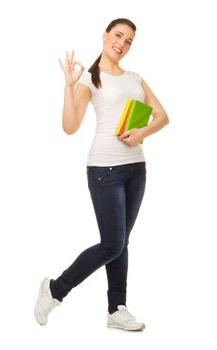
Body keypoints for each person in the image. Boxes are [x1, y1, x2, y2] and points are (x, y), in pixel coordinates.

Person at [34, 18, 169, 331]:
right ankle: (55, 290)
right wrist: (69, 86)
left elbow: (162, 116)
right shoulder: (90, 80)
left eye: (129, 40)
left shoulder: (135, 78)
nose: (122, 43)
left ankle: (116, 308)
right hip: (103, 170)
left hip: (136, 169)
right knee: (112, 243)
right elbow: (70, 127)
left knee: (122, 242)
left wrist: (141, 133)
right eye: (118, 35)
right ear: (105, 36)